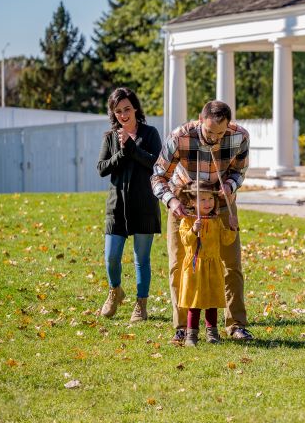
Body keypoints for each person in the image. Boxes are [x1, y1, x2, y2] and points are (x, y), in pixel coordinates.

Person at [151, 100, 253, 344]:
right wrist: (171, 202)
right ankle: (182, 327)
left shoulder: (239, 137)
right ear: (200, 119)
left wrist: (230, 185)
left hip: (220, 203)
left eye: (220, 133)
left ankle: (236, 324)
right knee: (180, 266)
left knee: (231, 264)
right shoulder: (180, 137)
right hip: (184, 206)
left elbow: (239, 170)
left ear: (228, 125)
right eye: (209, 132)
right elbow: (158, 175)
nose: (214, 139)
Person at [97, 87, 162, 323]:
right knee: (111, 258)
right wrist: (122, 153)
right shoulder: (110, 138)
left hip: (144, 205)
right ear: (113, 114)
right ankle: (115, 291)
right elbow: (102, 168)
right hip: (117, 207)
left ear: (135, 108)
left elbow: (157, 164)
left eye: (127, 109)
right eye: (118, 111)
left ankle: (140, 305)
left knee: (141, 259)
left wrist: (133, 149)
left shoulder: (150, 133)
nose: (123, 115)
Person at [173, 181, 238, 346]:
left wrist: (232, 228)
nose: (208, 203)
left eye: (210, 198)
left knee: (212, 301)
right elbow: (186, 241)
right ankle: (191, 334)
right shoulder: (187, 221)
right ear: (192, 202)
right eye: (202, 200)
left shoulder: (216, 220)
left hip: (213, 266)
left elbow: (226, 240)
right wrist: (194, 230)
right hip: (195, 267)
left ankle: (212, 332)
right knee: (194, 302)